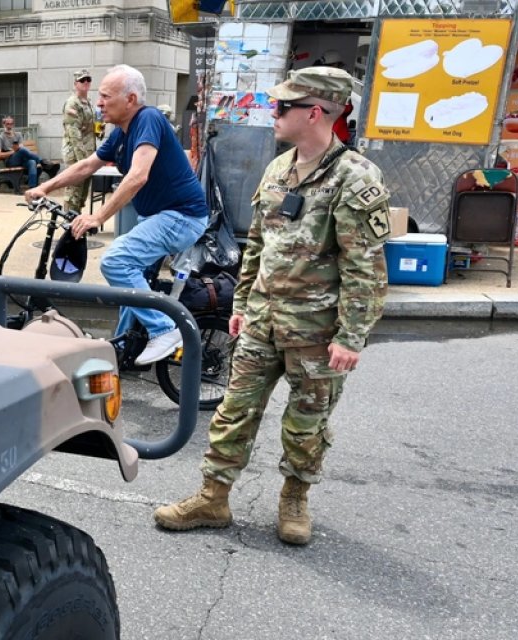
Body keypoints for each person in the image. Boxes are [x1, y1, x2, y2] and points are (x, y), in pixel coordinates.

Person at [152, 67, 391, 546]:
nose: (274, 114)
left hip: (317, 331)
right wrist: (241, 303)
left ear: (315, 112)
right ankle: (213, 497)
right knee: (233, 411)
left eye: (283, 107)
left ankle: (294, 499)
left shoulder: (355, 177)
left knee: (306, 424)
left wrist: (351, 334)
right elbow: (258, 244)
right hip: (262, 319)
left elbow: (365, 266)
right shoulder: (278, 169)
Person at [25, 64, 209, 365]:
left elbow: (138, 176)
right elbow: (87, 165)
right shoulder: (120, 133)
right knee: (131, 281)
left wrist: (98, 217)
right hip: (157, 216)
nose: (98, 103)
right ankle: (124, 350)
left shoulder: (148, 119)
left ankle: (165, 329)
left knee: (116, 261)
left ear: (131, 99)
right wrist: (45, 187)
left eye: (106, 97)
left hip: (181, 216)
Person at [61, 69, 97, 214]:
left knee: (82, 191)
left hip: (88, 152)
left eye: (88, 79)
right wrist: (83, 162)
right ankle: (69, 222)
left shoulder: (88, 102)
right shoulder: (72, 103)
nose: (86, 82)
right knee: (74, 188)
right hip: (76, 154)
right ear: (76, 84)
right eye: (82, 80)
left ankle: (76, 218)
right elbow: (74, 134)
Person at [0, 116, 58, 189]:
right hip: (10, 161)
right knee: (21, 150)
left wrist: (18, 150)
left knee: (32, 162)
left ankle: (32, 187)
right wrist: (13, 152)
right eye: (7, 124)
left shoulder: (18, 135)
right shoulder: (0, 138)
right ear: (4, 125)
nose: (9, 126)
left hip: (22, 159)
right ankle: (44, 163)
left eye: (11, 124)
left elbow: (21, 148)